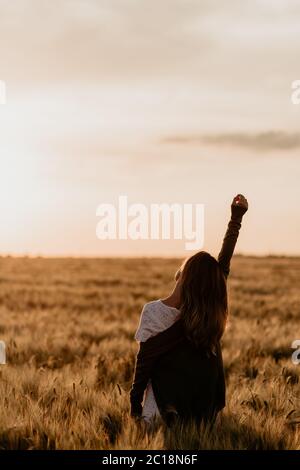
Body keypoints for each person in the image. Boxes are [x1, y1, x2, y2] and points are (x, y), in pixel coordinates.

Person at [130, 194, 248, 425]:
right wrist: (236, 219)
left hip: (162, 414)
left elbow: (143, 364)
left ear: (183, 276)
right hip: (204, 415)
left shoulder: (153, 312)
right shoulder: (206, 316)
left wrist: (135, 407)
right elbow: (220, 269)